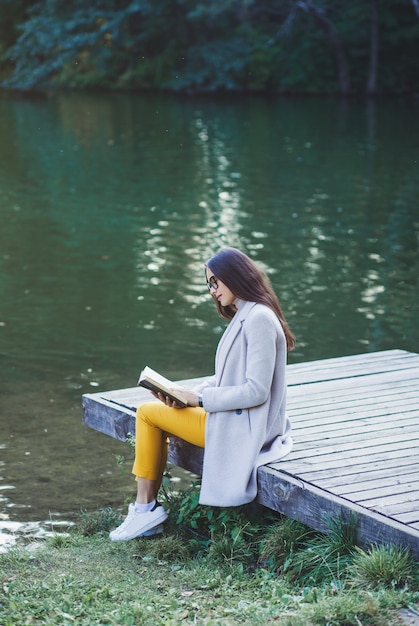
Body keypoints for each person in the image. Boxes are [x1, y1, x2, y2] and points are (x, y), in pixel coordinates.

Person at [109, 247, 295, 541]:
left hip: (242, 428)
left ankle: (145, 511)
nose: (213, 291)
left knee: (146, 414)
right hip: (233, 418)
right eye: (209, 284)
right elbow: (225, 378)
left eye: (215, 282)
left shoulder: (258, 318)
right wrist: (187, 394)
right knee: (158, 414)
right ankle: (145, 511)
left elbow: (256, 391)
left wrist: (200, 400)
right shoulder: (247, 314)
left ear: (235, 277)